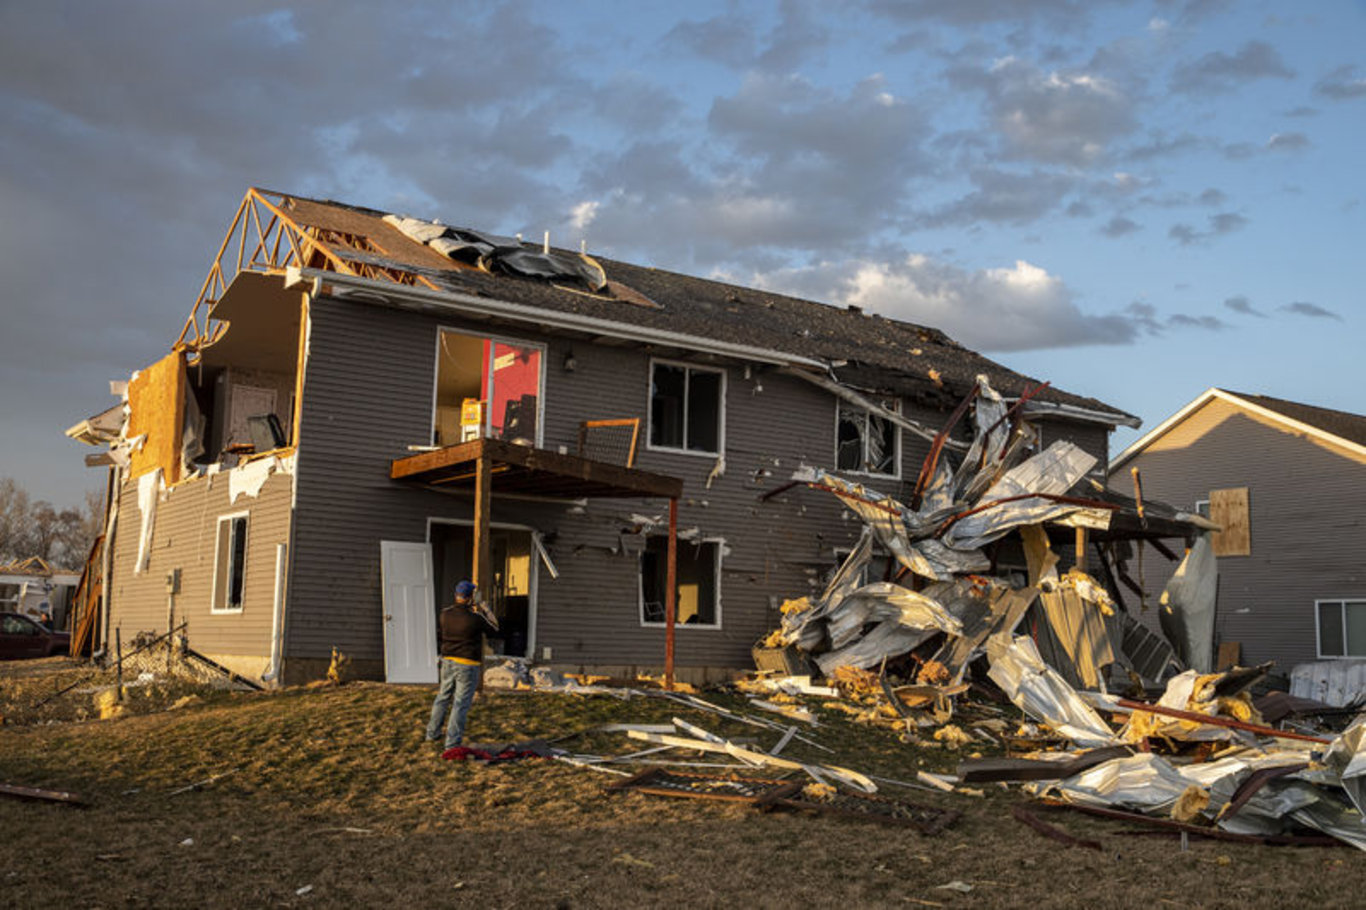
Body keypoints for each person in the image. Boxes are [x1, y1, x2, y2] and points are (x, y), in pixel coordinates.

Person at [425, 580, 496, 751]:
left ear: (456, 595)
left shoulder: (444, 614)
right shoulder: (476, 618)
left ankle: (432, 733)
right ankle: (452, 743)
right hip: (467, 664)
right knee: (460, 703)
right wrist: (485, 609)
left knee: (442, 697)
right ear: (471, 597)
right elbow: (495, 628)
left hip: (447, 661)